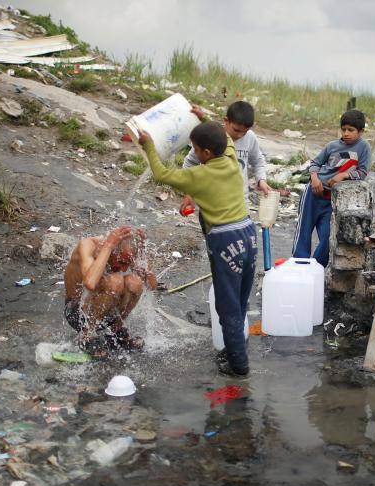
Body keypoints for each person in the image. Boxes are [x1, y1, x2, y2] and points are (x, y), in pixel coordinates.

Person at [137, 107, 257, 377]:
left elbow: (161, 174)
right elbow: (225, 139)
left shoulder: (199, 175)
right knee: (239, 300)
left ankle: (239, 367)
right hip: (249, 234)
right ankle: (236, 348)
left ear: (205, 153)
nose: (194, 152)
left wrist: (149, 147)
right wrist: (204, 119)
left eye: (194, 148)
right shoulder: (229, 158)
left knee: (226, 307)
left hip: (226, 239)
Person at [292, 109, 371, 267]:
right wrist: (314, 178)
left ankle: (316, 268)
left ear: (361, 131)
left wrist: (343, 176)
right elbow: (315, 163)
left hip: (332, 200)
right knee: (304, 232)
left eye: (351, 130)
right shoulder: (332, 146)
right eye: (344, 129)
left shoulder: (363, 147)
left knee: (328, 237)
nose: (346, 133)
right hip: (313, 194)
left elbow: (362, 172)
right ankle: (299, 266)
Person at [63, 226, 157, 355]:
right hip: (78, 314)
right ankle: (87, 335)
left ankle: (116, 329)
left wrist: (143, 253)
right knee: (116, 281)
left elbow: (151, 286)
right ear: (113, 251)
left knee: (134, 282)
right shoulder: (88, 245)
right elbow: (90, 284)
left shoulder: (125, 253)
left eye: (127, 264)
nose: (124, 269)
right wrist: (108, 246)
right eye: (121, 262)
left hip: (106, 314)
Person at [179, 100, 272, 218]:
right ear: (226, 121)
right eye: (236, 130)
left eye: (245, 132)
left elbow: (258, 161)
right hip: (213, 204)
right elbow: (190, 163)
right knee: (216, 234)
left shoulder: (250, 138)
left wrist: (261, 180)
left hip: (240, 203)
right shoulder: (211, 136)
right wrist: (189, 193)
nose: (240, 135)